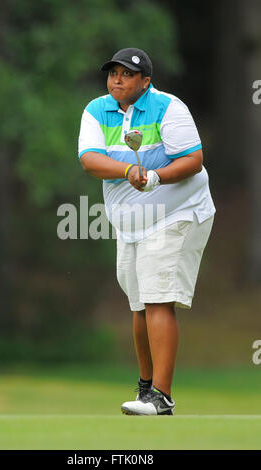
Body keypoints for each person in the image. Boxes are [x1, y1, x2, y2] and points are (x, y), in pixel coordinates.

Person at [78, 48, 215, 415]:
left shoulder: (169, 108)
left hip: (177, 213)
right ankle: (144, 390)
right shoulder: (96, 110)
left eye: (126, 74)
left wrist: (154, 176)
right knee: (138, 303)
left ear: (146, 81)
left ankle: (162, 397)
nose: (117, 80)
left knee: (156, 299)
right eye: (113, 74)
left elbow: (192, 159)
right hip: (132, 223)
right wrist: (128, 172)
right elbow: (90, 159)